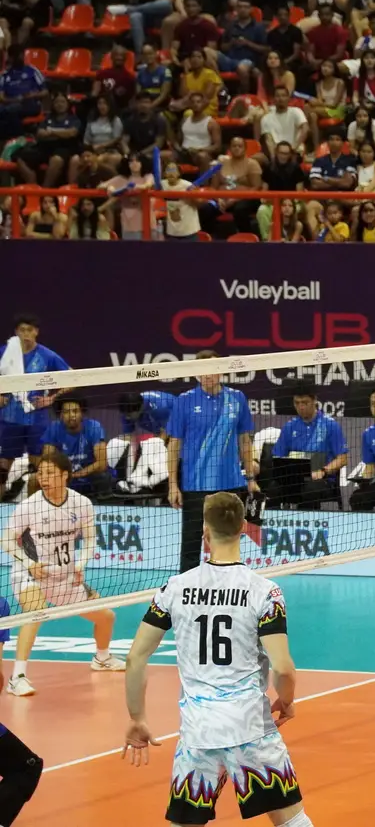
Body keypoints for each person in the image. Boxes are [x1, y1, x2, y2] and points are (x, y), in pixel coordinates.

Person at [122, 493, 312, 827]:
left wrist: (137, 717)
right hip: (249, 727)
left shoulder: (174, 588)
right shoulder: (264, 592)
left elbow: (135, 658)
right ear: (243, 528)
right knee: (291, 821)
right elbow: (283, 668)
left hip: (199, 731)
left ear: (204, 532)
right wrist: (286, 701)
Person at [1, 450, 124, 698]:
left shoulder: (82, 503)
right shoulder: (30, 506)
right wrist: (28, 563)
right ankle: (17, 677)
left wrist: (81, 565)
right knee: (35, 613)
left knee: (106, 617)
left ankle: (102, 658)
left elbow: (89, 539)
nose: (44, 478)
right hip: (31, 573)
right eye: (41, 473)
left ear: (65, 475)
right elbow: (6, 540)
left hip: (65, 576)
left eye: (50, 473)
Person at [167, 350, 259, 572]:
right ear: (196, 373)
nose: (208, 375)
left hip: (230, 483)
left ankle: (228, 581)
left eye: (213, 369)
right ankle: (186, 585)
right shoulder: (184, 401)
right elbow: (174, 445)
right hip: (195, 485)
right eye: (203, 370)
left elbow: (244, 441)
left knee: (230, 540)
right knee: (190, 544)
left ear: (222, 370)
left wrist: (251, 478)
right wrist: (172, 485)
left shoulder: (237, 398)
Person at [0, 314, 69, 494]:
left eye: (29, 330)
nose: (26, 334)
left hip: (37, 421)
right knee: (1, 472)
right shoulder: (5, 353)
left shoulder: (48, 356)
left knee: (39, 472)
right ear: (16, 332)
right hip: (9, 420)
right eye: (22, 330)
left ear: (36, 332)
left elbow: (73, 378)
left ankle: (36, 508)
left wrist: (52, 398)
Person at [269, 383, 348, 509]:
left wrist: (324, 471)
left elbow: (342, 459)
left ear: (314, 401)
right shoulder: (289, 427)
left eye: (305, 403)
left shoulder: (330, 425)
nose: (300, 407)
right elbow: (277, 456)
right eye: (297, 403)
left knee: (310, 489)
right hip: (294, 479)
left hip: (322, 480)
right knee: (273, 488)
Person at [39, 396, 112, 499]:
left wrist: (77, 475)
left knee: (103, 477)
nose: (71, 415)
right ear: (61, 415)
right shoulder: (53, 429)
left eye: (75, 411)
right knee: (38, 479)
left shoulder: (94, 427)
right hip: (64, 476)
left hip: (89, 475)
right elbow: (47, 460)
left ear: (81, 413)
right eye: (66, 412)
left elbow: (102, 464)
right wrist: (64, 475)